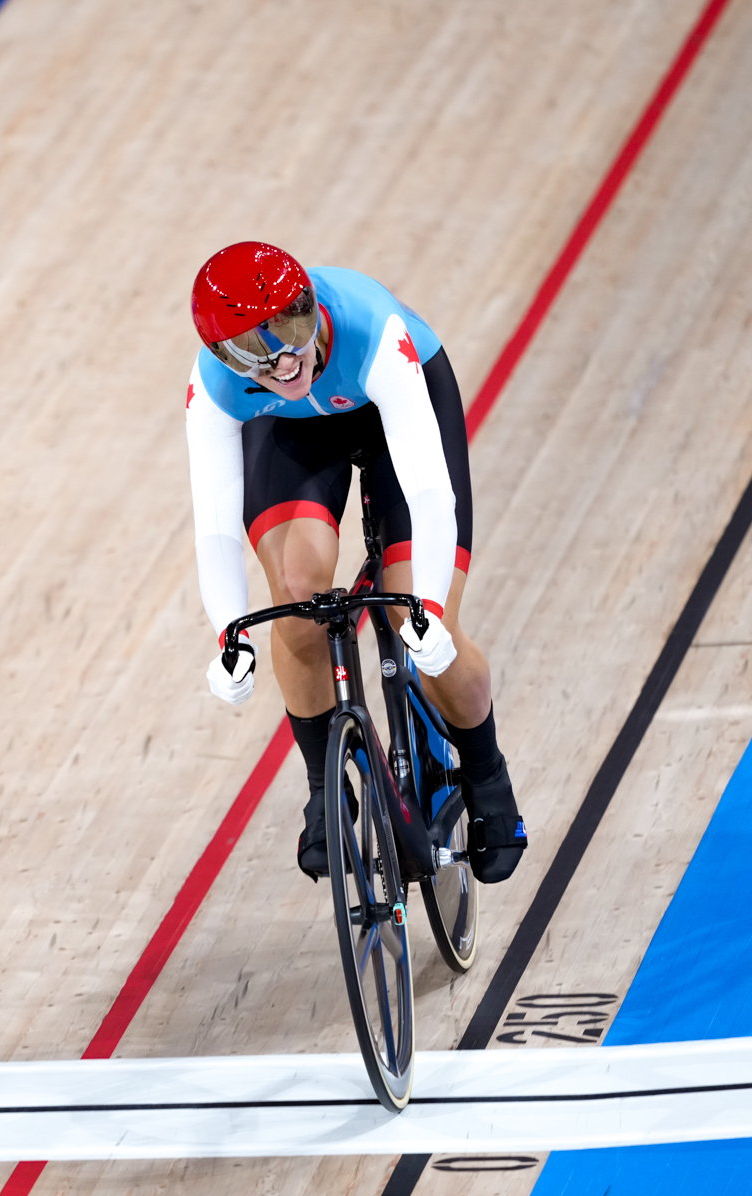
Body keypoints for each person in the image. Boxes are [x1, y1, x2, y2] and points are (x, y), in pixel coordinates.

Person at [184, 241, 526, 882]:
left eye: (290, 330)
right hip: (293, 433)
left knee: (425, 629)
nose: (282, 361)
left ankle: (486, 772)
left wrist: (424, 607)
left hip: (394, 411)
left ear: (310, 305)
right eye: (252, 354)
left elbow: (428, 491)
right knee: (297, 592)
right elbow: (214, 527)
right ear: (223, 356)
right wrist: (230, 632)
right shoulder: (216, 386)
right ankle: (323, 787)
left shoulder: (372, 329)